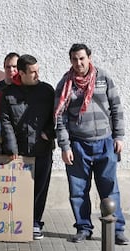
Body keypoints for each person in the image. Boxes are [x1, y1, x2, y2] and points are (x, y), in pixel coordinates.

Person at [54, 43, 128, 245]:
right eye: (74, 59)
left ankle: (117, 230)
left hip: (105, 144)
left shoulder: (103, 78)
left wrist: (119, 137)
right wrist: (65, 146)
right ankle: (83, 228)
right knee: (78, 191)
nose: (78, 63)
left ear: (89, 57)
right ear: (70, 60)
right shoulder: (65, 85)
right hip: (78, 146)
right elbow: (59, 118)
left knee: (110, 188)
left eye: (82, 58)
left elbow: (116, 108)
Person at [0, 54, 55, 240]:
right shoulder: (9, 93)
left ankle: (35, 223)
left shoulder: (47, 91)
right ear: (21, 73)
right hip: (19, 152)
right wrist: (11, 147)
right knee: (19, 189)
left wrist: (50, 132)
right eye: (32, 72)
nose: (37, 75)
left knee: (40, 188)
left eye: (38, 71)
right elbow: (6, 122)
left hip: (42, 149)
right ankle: (17, 222)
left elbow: (57, 117)